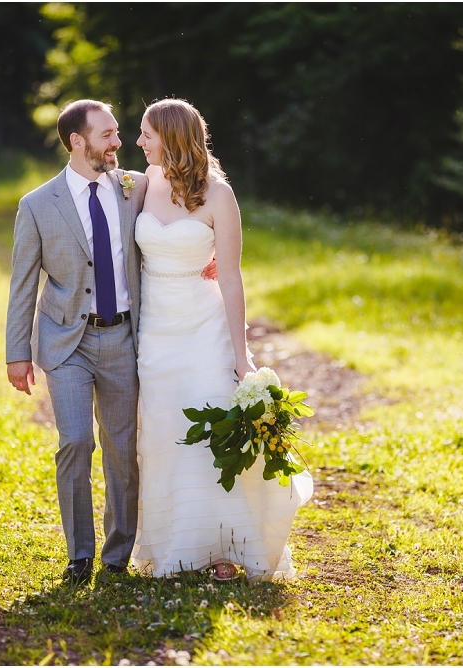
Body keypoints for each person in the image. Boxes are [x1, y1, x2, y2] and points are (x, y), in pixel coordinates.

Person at [5, 99, 215, 585]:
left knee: (122, 448)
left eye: (119, 133)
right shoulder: (37, 205)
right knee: (75, 441)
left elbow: (186, 208)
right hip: (66, 343)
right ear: (77, 142)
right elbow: (22, 284)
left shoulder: (136, 187)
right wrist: (17, 353)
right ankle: (79, 553)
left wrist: (207, 256)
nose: (118, 143)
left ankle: (117, 555)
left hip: (124, 338)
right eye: (107, 136)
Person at [131, 98, 313, 581]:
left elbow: (231, 278)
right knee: (164, 433)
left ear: (170, 137)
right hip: (155, 329)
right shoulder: (139, 184)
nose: (138, 142)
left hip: (205, 327)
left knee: (211, 434)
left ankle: (223, 550)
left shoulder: (219, 196)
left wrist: (242, 353)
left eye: (146, 133)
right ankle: (173, 546)